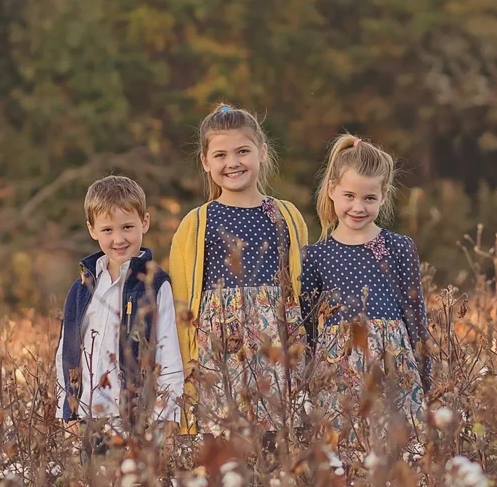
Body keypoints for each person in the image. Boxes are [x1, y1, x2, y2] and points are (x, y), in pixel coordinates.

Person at [168, 105, 308, 437]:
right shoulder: (196, 223)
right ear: (205, 162)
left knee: (277, 442)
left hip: (276, 346)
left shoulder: (286, 215)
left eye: (242, 151)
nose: (232, 162)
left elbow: (303, 288)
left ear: (261, 151)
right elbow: (181, 302)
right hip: (218, 352)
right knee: (224, 446)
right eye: (220, 155)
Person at [300, 135, 431, 439]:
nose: (358, 207)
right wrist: (304, 383)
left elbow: (415, 316)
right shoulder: (315, 255)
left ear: (383, 196)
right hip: (337, 373)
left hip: (393, 367)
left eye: (369, 198)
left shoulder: (399, 247)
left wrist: (426, 379)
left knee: (400, 455)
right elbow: (306, 327)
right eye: (349, 196)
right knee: (344, 455)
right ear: (332, 190)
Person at [55, 176, 183, 451]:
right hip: (87, 419)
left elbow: (168, 354)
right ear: (92, 230)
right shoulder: (81, 289)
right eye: (107, 230)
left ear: (145, 222)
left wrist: (167, 419)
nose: (119, 239)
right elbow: (65, 354)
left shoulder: (155, 284)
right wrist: (67, 409)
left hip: (135, 420)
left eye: (127, 227)